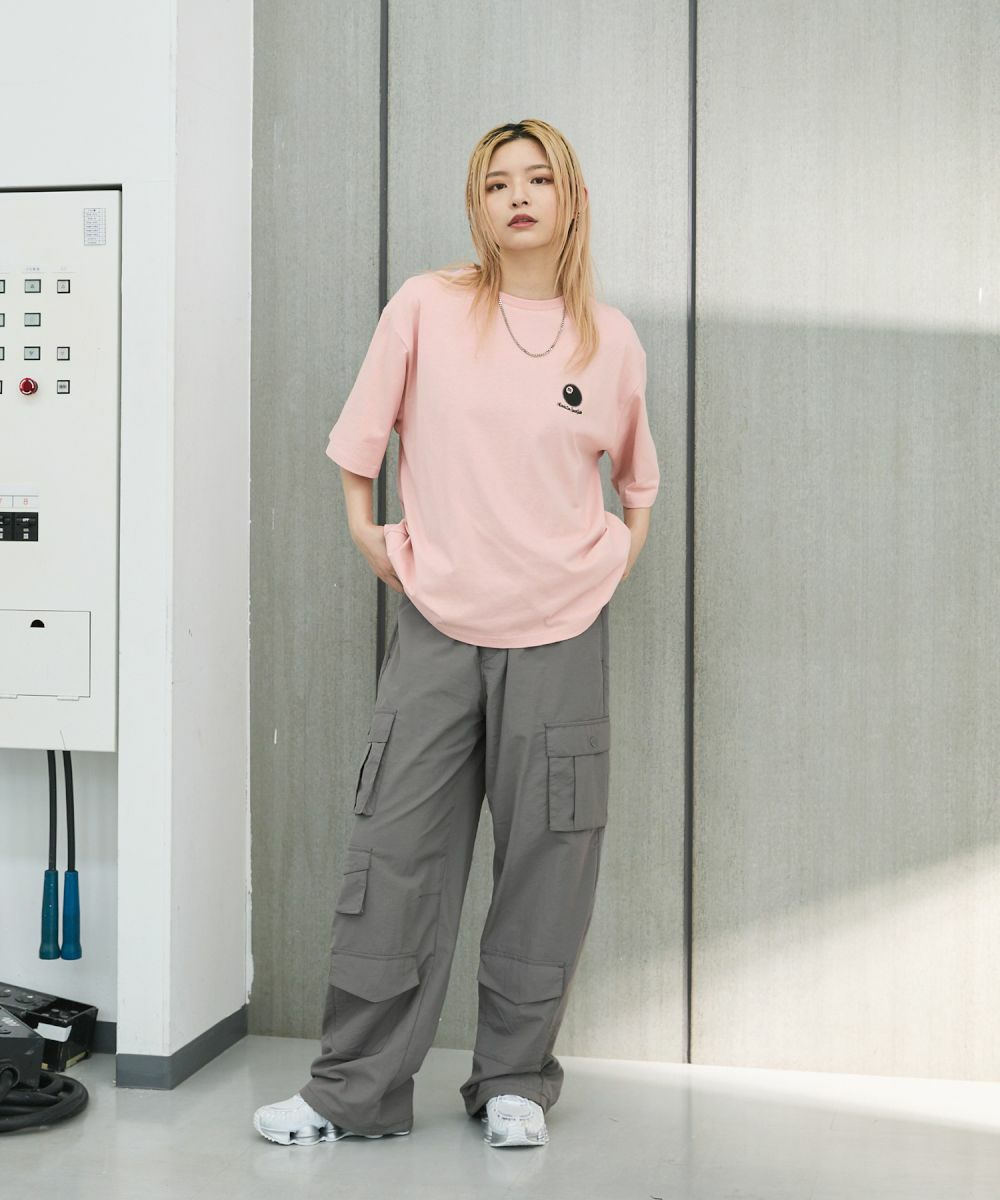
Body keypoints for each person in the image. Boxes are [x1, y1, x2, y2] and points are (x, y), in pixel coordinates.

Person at [254, 118, 659, 1150]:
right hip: (438, 627)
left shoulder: (610, 338)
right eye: (495, 182)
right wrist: (368, 534)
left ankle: (514, 1080)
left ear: (570, 199)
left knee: (549, 861)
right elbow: (360, 441)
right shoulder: (427, 307)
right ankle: (350, 1091)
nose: (517, 196)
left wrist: (606, 561)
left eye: (538, 179)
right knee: (394, 856)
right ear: (476, 206)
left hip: (561, 637)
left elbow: (637, 482)